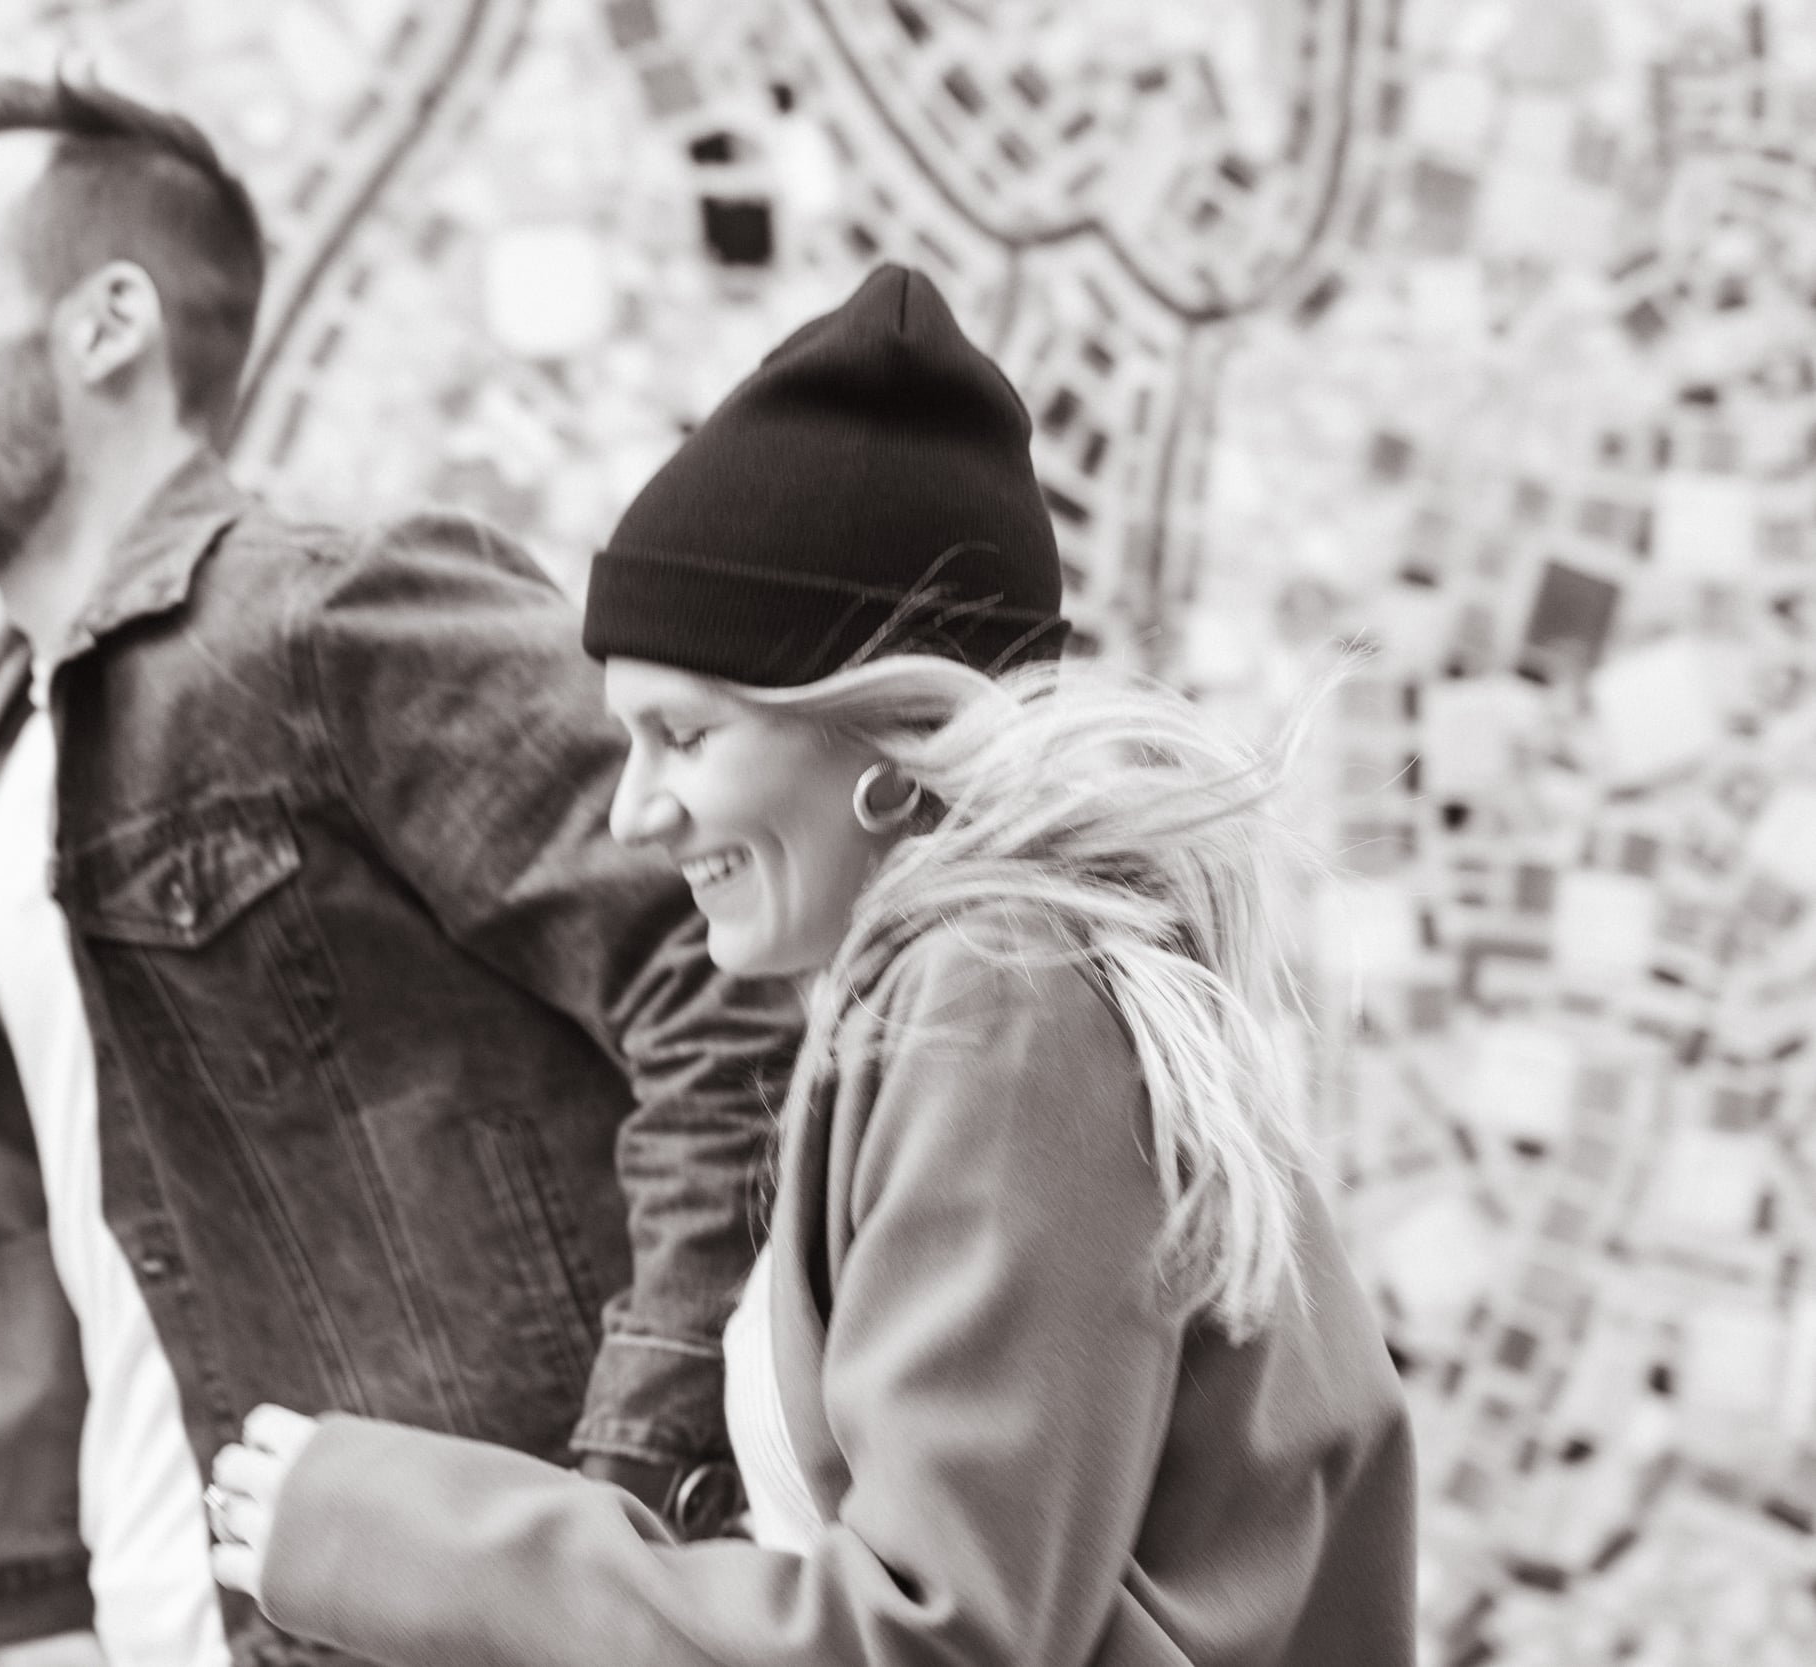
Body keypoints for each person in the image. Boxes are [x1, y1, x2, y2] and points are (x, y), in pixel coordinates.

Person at [205, 265, 1418, 1666]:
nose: (632, 811)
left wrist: (406, 1536)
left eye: (688, 735)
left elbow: (932, 1637)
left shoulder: (1005, 998)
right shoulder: (980, 988)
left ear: (881, 745)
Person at [0, 75, 796, 1665]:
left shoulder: (326, 622)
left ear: (107, 326)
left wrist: (616, 1501)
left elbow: (723, 987)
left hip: (439, 1627)